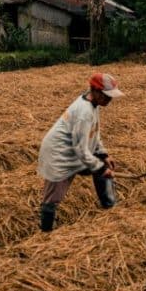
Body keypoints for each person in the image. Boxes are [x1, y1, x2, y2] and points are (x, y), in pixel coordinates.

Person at [36, 72, 123, 232]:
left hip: (75, 152)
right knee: (52, 199)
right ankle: (45, 233)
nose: (109, 100)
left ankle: (109, 206)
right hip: (59, 155)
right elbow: (81, 150)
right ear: (95, 91)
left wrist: (103, 155)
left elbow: (94, 133)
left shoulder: (93, 104)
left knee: (101, 165)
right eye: (107, 96)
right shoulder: (84, 112)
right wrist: (102, 168)